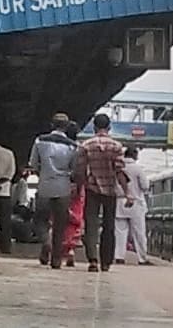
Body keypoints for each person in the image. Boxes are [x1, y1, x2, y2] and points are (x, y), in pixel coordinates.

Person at [74, 113, 131, 272]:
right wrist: (127, 193)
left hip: (91, 189)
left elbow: (80, 170)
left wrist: (79, 188)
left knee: (91, 225)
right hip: (110, 191)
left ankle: (92, 260)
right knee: (109, 226)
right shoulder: (116, 146)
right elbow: (119, 171)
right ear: (109, 127)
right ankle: (106, 262)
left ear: (94, 127)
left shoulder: (86, 145)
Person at [27, 113, 77, 269]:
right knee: (60, 225)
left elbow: (33, 164)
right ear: (67, 126)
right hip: (63, 188)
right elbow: (74, 169)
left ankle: (45, 242)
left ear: (51, 125)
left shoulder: (40, 140)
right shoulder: (72, 146)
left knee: (40, 220)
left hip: (44, 185)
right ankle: (56, 260)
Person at [114, 146, 151, 265]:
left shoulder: (118, 168)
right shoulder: (138, 169)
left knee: (120, 231)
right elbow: (145, 186)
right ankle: (142, 258)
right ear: (135, 156)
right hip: (135, 202)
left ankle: (119, 256)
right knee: (139, 232)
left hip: (119, 201)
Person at [61, 121, 85, 268]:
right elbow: (82, 169)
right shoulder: (80, 149)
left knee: (59, 217)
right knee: (75, 218)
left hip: (60, 185)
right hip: (77, 186)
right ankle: (71, 249)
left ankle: (58, 248)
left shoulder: (59, 147)